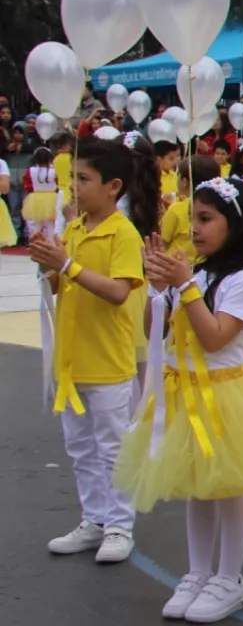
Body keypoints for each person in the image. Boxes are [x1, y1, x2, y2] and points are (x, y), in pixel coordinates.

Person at [116, 176, 243, 622]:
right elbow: (155, 331)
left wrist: (186, 287)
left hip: (224, 395)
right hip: (185, 393)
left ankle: (229, 578)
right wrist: (157, 288)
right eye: (193, 217)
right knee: (197, 489)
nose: (194, 227)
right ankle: (197, 572)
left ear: (235, 225)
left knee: (229, 488)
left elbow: (215, 337)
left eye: (207, 218)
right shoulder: (196, 272)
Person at [30, 139, 152, 564]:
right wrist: (48, 263)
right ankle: (94, 518)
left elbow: (118, 291)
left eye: (83, 179)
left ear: (113, 186)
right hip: (72, 358)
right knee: (80, 448)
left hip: (107, 360)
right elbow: (60, 284)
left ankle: (120, 525)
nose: (74, 187)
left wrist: (67, 265)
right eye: (73, 178)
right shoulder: (75, 228)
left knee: (113, 448)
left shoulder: (123, 233)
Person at [160, 156, 223, 263]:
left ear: (185, 181)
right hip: (204, 267)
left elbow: (163, 243)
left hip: (175, 266)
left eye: (178, 175)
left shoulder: (176, 210)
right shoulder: (218, 209)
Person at [21, 146, 60, 239]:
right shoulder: (54, 171)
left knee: (36, 224)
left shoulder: (30, 170)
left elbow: (26, 184)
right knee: (51, 224)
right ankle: (52, 243)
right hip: (51, 198)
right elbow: (58, 183)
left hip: (35, 198)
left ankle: (35, 242)